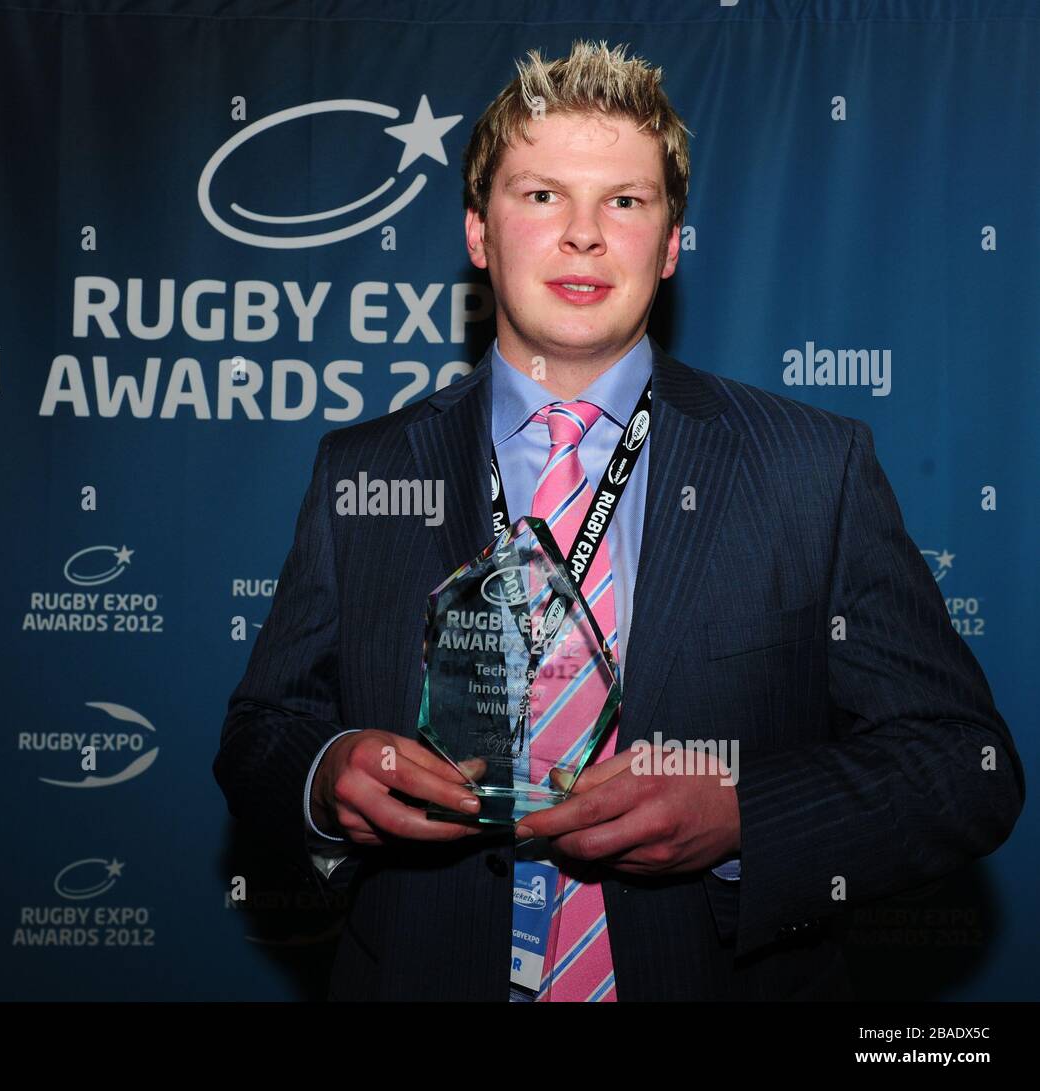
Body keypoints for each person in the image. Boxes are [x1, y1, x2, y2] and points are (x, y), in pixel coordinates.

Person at [213, 39, 1024, 1001]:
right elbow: (262, 728)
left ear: (672, 242)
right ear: (479, 232)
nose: (584, 236)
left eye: (625, 202)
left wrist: (744, 815)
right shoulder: (367, 467)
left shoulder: (811, 465)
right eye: (542, 195)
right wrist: (326, 770)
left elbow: (965, 763)